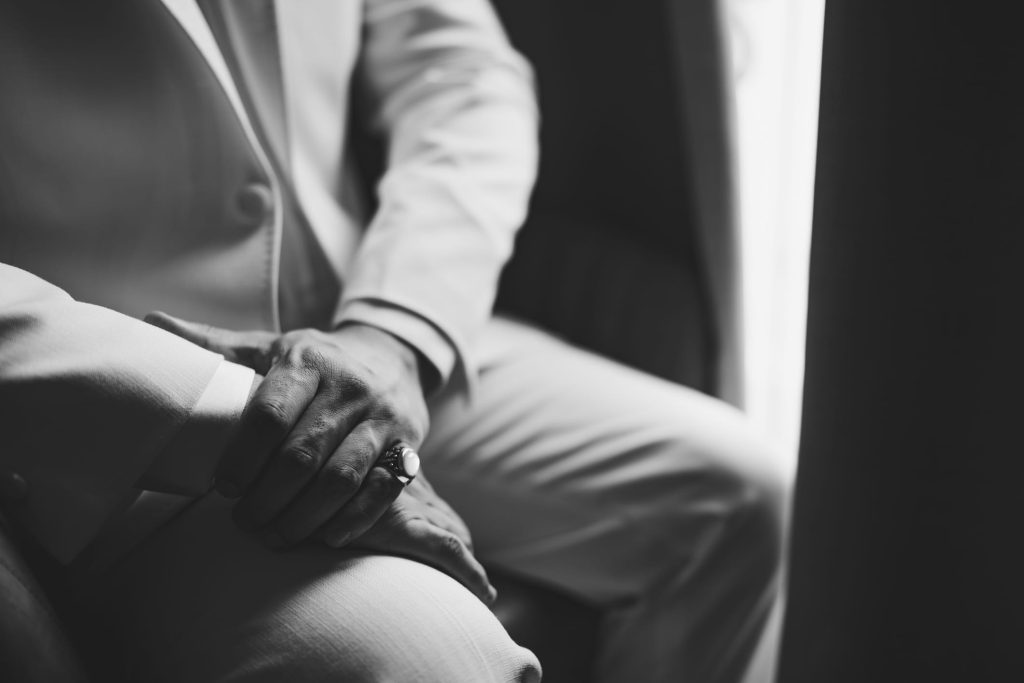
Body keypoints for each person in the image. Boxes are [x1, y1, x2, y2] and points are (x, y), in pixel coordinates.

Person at [0, 0, 784, 681]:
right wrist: (238, 418)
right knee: (431, 659)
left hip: (368, 323)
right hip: (125, 422)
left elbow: (464, 76)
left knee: (741, 497)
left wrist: (392, 336)